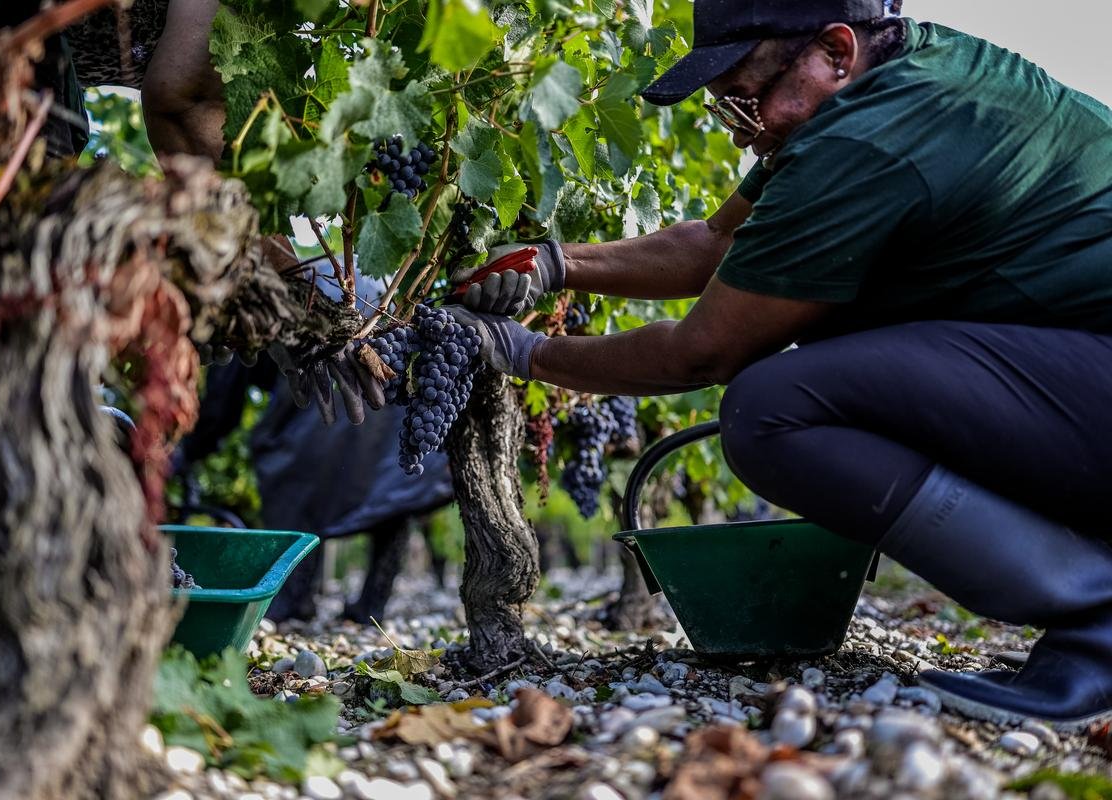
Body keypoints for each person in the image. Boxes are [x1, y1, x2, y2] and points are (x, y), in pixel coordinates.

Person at [443, 0, 1112, 730]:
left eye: (743, 97)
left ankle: (1100, 621)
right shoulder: (899, 80)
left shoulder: (867, 143)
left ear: (834, 51)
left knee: (774, 408)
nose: (738, 131)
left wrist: (525, 353)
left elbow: (703, 352)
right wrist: (555, 263)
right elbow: (717, 242)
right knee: (837, 345)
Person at [172, 266, 454, 623]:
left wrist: (192, 451)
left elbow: (221, 403)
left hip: (335, 379)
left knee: (290, 473)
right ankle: (372, 603)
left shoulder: (239, 306)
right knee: (390, 489)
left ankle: (294, 597)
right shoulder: (346, 276)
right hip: (386, 369)